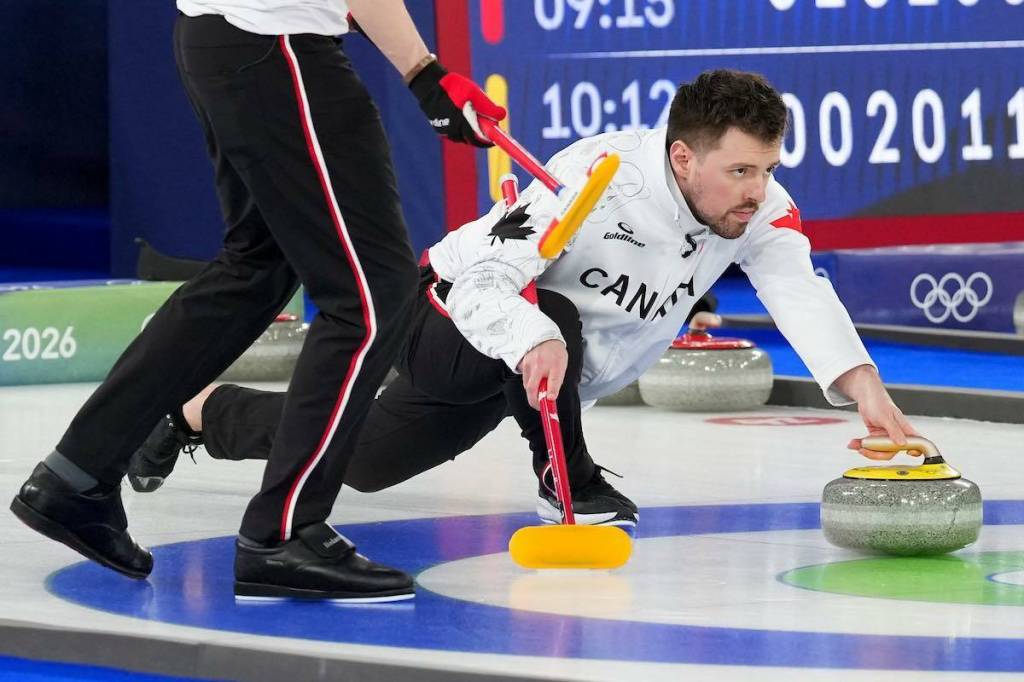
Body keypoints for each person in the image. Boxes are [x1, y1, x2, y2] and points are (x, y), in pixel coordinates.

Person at [126, 69, 920, 549]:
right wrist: (538, 336)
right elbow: (486, 283)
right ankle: (564, 476)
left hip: (527, 369)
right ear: (683, 157)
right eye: (741, 169)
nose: (757, 189)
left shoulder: (759, 210)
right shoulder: (596, 178)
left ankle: (199, 414)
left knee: (366, 462)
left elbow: (797, 289)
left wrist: (865, 390)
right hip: (447, 311)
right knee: (557, 312)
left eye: (768, 168)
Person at [11, 0, 506, 603]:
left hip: (222, 37)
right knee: (372, 299)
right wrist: (424, 73)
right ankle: (283, 535)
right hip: (280, 44)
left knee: (256, 270)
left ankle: (76, 478)